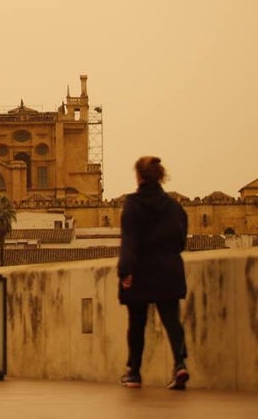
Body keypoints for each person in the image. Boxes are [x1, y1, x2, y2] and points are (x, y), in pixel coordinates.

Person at [117, 155, 190, 390]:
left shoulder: (133, 204)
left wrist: (125, 271)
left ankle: (134, 373)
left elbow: (129, 241)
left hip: (141, 271)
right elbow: (181, 238)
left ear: (139, 176)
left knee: (137, 323)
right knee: (172, 321)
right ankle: (180, 364)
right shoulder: (173, 206)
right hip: (169, 269)